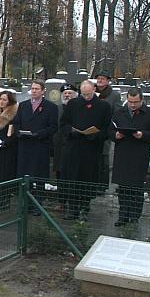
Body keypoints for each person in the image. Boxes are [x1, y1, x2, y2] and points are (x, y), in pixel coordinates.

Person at [59, 80, 112, 219]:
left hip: (92, 149)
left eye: (89, 94)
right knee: (72, 179)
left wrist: (96, 135)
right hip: (74, 147)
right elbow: (64, 124)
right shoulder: (73, 104)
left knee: (88, 179)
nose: (87, 97)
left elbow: (108, 129)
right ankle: (73, 208)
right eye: (84, 94)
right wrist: (71, 131)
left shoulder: (104, 106)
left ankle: (85, 206)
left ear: (94, 90)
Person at [109, 88, 150, 226]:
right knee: (123, 187)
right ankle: (122, 216)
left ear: (142, 100)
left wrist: (142, 135)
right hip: (122, 154)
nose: (132, 105)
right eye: (130, 102)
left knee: (136, 188)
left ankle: (134, 216)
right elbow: (110, 130)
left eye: (136, 102)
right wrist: (116, 135)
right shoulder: (119, 113)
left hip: (139, 155)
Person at [13, 79, 59, 215]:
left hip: (40, 146)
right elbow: (16, 123)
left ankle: (38, 204)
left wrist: (39, 134)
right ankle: (25, 204)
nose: (34, 91)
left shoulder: (51, 107)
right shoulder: (23, 105)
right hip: (25, 146)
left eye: (37, 89)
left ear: (43, 91)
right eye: (32, 89)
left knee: (39, 177)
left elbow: (53, 127)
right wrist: (19, 132)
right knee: (25, 177)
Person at [95, 71, 122, 190]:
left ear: (108, 81)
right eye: (98, 78)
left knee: (103, 158)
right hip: (90, 130)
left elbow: (117, 112)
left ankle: (102, 186)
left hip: (105, 130)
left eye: (102, 79)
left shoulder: (113, 95)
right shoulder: (91, 91)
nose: (100, 81)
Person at [52, 83, 78, 179]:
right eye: (65, 93)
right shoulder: (56, 108)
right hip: (59, 145)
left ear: (75, 94)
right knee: (60, 171)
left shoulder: (79, 108)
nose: (67, 95)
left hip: (74, 144)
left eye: (70, 93)